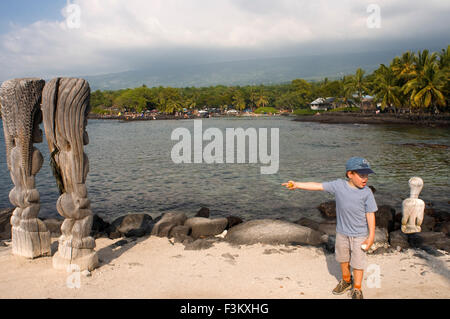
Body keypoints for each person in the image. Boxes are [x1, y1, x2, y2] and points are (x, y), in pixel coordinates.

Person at [282, 157, 377, 299]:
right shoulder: (339, 186)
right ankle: (346, 281)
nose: (365, 179)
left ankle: (357, 288)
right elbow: (318, 186)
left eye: (367, 175)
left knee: (358, 262)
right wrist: (297, 185)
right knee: (343, 259)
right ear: (350, 174)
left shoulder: (367, 192)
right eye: (361, 175)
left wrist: (371, 237)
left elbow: (370, 214)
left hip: (359, 234)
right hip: (342, 233)